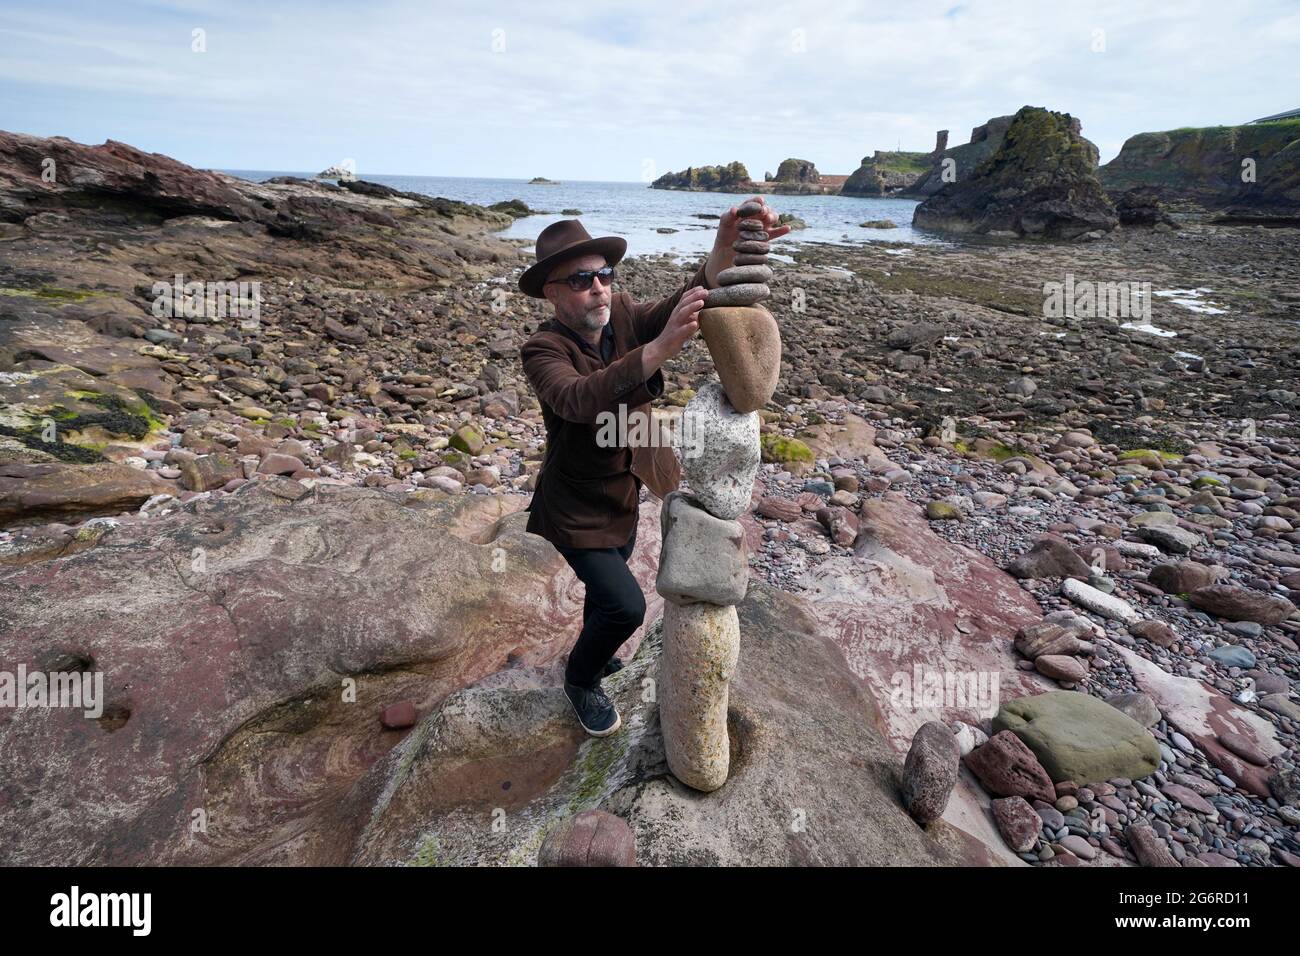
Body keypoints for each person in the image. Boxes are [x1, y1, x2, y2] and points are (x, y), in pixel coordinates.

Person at [518, 198, 789, 736]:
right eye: (580, 279)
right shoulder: (543, 349)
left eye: (604, 274)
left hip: (623, 488)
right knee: (624, 607)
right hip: (574, 506)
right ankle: (579, 681)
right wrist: (659, 350)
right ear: (552, 293)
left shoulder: (621, 315)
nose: (599, 287)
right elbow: (577, 398)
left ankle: (594, 657)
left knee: (603, 596)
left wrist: (723, 248)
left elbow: (676, 304)